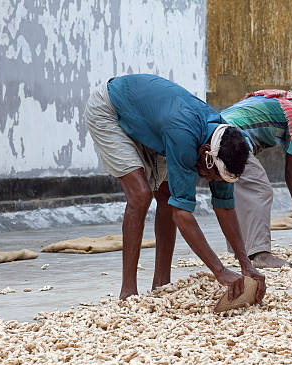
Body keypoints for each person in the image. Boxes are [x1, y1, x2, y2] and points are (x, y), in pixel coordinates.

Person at [85, 74, 266, 302]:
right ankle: (128, 293)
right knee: (140, 195)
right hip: (110, 108)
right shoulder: (185, 138)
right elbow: (182, 215)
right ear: (204, 155)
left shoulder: (225, 143)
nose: (210, 182)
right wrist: (219, 271)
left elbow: (225, 208)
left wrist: (245, 265)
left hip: (151, 120)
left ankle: (161, 284)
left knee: (166, 194)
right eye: (211, 176)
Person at [221, 87, 292, 268]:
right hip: (232, 137)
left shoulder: (275, 99)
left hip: (213, 130)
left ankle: (242, 251)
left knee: (238, 191)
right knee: (261, 191)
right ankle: (261, 254)